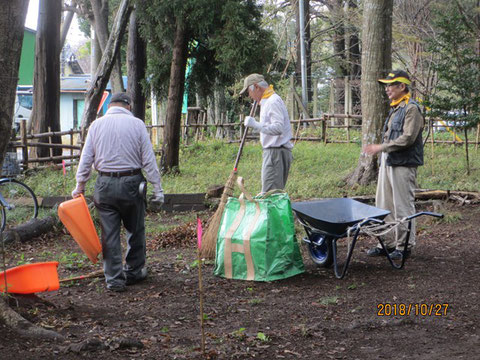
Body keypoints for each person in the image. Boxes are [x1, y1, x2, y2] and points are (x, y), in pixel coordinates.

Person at [72, 92, 164, 292]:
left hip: (104, 184)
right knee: (135, 229)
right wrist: (158, 189)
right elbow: (148, 160)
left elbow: (86, 159)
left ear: (110, 106)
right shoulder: (137, 125)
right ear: (128, 106)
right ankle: (133, 271)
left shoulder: (96, 126)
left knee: (109, 234)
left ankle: (114, 279)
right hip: (132, 183)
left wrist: (80, 186)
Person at [364, 70, 424, 261]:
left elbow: (407, 138)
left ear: (402, 86)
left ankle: (403, 246)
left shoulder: (411, 108)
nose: (387, 88)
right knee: (384, 204)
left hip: (403, 164)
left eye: (391, 85)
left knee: (402, 206)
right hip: (388, 162)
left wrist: (381, 147)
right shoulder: (395, 108)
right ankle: (386, 243)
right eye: (386, 85)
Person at [240, 73, 293, 193]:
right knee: (274, 194)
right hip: (276, 153)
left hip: (275, 153)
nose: (249, 95)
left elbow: (278, 127)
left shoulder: (272, 101)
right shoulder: (267, 101)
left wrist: (256, 125)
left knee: (270, 195)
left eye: (249, 91)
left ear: (256, 87)